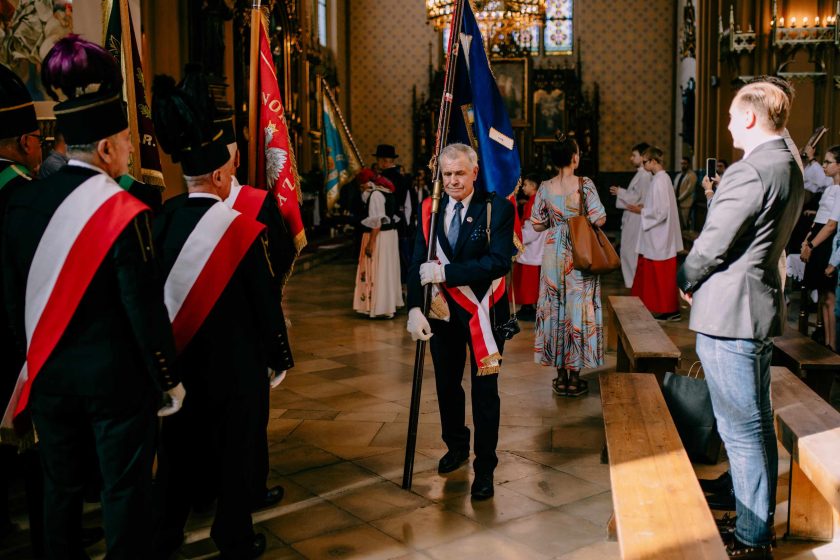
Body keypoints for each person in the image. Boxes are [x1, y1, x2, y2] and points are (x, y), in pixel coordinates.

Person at [3, 37, 184, 559]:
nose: (130, 149)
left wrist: (32, 358)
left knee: (59, 488)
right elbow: (141, 306)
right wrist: (166, 377)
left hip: (50, 374)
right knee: (122, 489)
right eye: (126, 140)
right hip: (115, 382)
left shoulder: (22, 200)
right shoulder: (124, 209)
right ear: (105, 148)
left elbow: (13, 295)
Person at [151, 74, 290, 559]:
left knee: (177, 451)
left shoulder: (161, 219)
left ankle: (165, 534)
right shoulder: (237, 228)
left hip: (181, 356)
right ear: (216, 178)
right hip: (236, 364)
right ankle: (231, 537)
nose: (232, 177)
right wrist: (278, 355)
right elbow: (263, 300)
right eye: (228, 172)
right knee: (235, 452)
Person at [678, 81, 804, 557]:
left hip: (731, 312)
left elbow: (713, 242)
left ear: (751, 117)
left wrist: (685, 277)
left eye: (733, 115)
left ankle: (753, 538)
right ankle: (751, 515)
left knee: (743, 428)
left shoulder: (751, 171)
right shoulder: (787, 164)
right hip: (753, 305)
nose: (729, 123)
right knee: (752, 423)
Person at [406, 143, 514, 501]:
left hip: (484, 313)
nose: (452, 181)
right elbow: (416, 260)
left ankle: (485, 467)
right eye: (447, 174)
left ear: (474, 172)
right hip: (443, 314)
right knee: (447, 386)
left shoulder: (496, 208)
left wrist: (447, 272)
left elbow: (499, 261)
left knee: (485, 393)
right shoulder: (429, 207)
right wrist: (413, 308)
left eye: (459, 173)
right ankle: (456, 446)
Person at [0, 62, 45, 557]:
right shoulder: (26, 198)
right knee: (34, 445)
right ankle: (51, 535)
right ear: (24, 143)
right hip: (18, 338)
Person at [533, 135, 607, 397]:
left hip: (553, 252)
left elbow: (536, 223)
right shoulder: (584, 184)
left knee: (554, 308)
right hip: (579, 252)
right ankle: (575, 377)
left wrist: (556, 221)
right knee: (577, 310)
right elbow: (599, 219)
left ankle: (560, 376)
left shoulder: (544, 186)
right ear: (575, 157)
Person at [632, 146, 683, 321]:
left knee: (662, 276)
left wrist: (643, 212)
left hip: (659, 235)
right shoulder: (660, 179)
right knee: (657, 275)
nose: (643, 164)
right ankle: (664, 308)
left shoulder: (661, 180)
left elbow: (661, 211)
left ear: (654, 161)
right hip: (657, 234)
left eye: (645, 161)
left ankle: (669, 310)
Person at [799, 148, 840, 350]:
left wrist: (813, 244)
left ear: (839, 165)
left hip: (825, 243)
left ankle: (832, 344)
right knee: (823, 296)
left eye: (828, 162)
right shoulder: (830, 188)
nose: (824, 165)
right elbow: (819, 218)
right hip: (817, 238)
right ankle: (825, 341)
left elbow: (831, 224)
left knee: (829, 297)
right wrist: (807, 239)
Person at [353, 168, 404, 318]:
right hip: (390, 235)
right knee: (387, 270)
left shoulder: (375, 195)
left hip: (381, 236)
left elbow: (377, 222)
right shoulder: (386, 191)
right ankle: (388, 305)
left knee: (380, 270)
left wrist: (371, 243)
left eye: (361, 185)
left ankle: (381, 307)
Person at [610, 142, 650, 288]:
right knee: (627, 250)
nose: (630, 158)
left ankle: (634, 283)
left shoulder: (645, 176)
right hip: (633, 215)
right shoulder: (641, 174)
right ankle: (632, 283)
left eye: (634, 155)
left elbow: (639, 198)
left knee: (630, 250)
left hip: (637, 217)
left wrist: (620, 192)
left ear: (643, 156)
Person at [374, 144, 417, 278]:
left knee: (394, 256)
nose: (378, 162)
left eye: (379, 159)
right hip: (401, 219)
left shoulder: (384, 179)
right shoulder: (402, 178)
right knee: (402, 254)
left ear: (385, 161)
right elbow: (408, 203)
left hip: (388, 221)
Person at [512, 173, 546, 321]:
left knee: (528, 282)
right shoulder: (537, 200)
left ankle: (528, 306)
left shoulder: (533, 203)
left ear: (533, 185)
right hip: (538, 247)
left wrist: (516, 237)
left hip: (532, 248)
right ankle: (529, 306)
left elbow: (532, 231)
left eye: (525, 185)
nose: (523, 188)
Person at [673, 156, 697, 229]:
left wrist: (679, 199)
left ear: (689, 164)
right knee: (677, 225)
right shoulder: (679, 175)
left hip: (685, 204)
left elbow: (689, 190)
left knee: (685, 224)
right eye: (681, 163)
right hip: (676, 203)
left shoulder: (692, 175)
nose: (683, 165)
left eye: (685, 163)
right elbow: (674, 187)